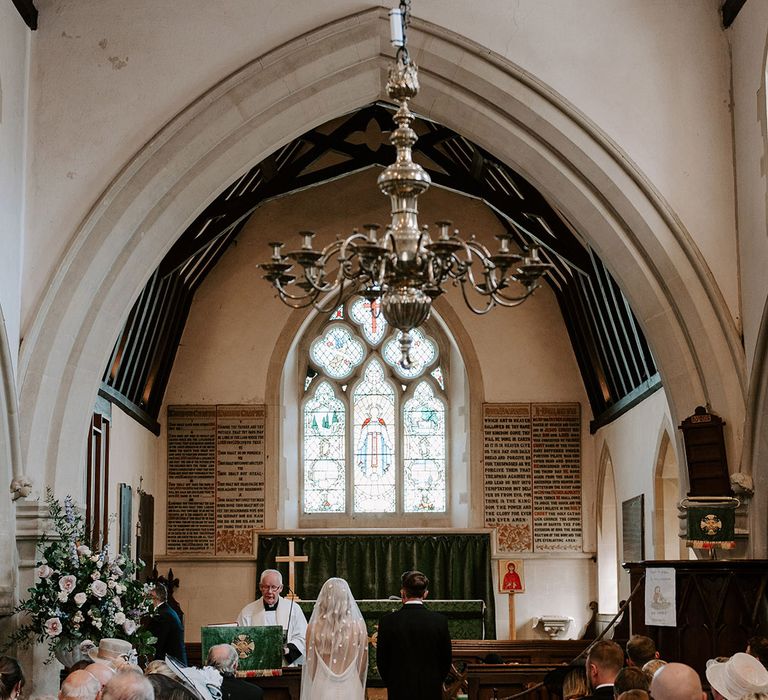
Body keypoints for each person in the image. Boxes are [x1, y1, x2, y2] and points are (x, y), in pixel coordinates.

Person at [376, 570, 452, 700]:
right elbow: (446, 659)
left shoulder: (387, 621)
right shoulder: (439, 621)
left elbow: (382, 660)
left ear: (402, 592)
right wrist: (435, 680)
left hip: (399, 687)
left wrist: (392, 682)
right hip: (430, 687)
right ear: (425, 594)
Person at [300, 577, 368, 700]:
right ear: (347, 598)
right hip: (351, 687)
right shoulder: (359, 626)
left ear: (324, 598)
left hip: (322, 688)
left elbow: (311, 665)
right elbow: (362, 663)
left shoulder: (313, 627)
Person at [236, 569, 308, 666]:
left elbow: (303, 636)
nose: (269, 591)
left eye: (274, 587)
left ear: (281, 588)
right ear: (260, 587)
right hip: (257, 666)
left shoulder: (293, 609)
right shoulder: (248, 612)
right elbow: (240, 638)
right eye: (266, 587)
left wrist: (286, 650)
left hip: (286, 666)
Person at [148, 582, 188, 665]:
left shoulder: (162, 615)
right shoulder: (167, 611)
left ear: (154, 597)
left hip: (171, 665)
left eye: (148, 597)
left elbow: (157, 644)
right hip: (175, 662)